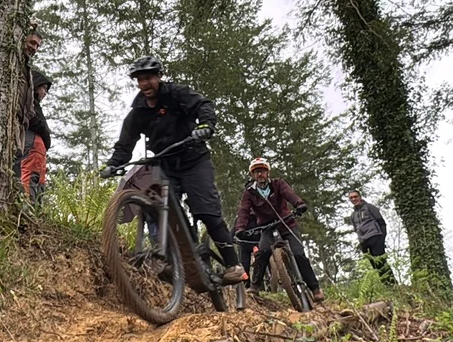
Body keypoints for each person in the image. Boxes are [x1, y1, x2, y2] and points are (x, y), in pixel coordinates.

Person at [100, 56, 246, 284]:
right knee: (161, 209)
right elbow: (125, 145)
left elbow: (203, 105)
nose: (145, 83)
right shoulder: (138, 112)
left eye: (149, 78)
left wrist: (205, 125)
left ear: (159, 76)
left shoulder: (177, 94)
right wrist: (113, 164)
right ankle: (177, 257)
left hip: (194, 160)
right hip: (166, 166)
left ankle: (233, 264)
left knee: (206, 211)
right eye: (140, 79)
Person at [234, 158, 325, 302]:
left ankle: (315, 288)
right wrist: (240, 228)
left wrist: (298, 204)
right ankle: (255, 286)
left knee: (299, 253)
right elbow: (244, 211)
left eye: (262, 171)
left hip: (287, 223)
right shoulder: (249, 193)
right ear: (252, 175)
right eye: (256, 172)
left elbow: (289, 194)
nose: (260, 174)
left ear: (268, 172)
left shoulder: (278, 184)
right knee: (262, 252)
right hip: (267, 227)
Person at [18, 29, 51, 202]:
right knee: (29, 178)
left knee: (38, 182)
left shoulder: (34, 104)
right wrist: (46, 133)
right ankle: (27, 210)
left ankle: (34, 210)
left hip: (36, 147)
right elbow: (30, 118)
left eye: (37, 45)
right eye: (43, 88)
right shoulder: (29, 102)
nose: (45, 92)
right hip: (32, 143)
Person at [348, 189, 395, 285]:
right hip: (364, 242)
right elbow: (356, 229)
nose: (354, 199)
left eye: (355, 196)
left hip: (375, 237)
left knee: (381, 262)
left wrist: (382, 237)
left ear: (360, 197)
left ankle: (393, 284)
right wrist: (361, 243)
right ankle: (386, 285)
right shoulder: (353, 215)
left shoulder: (369, 207)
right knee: (374, 265)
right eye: (351, 198)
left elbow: (381, 222)